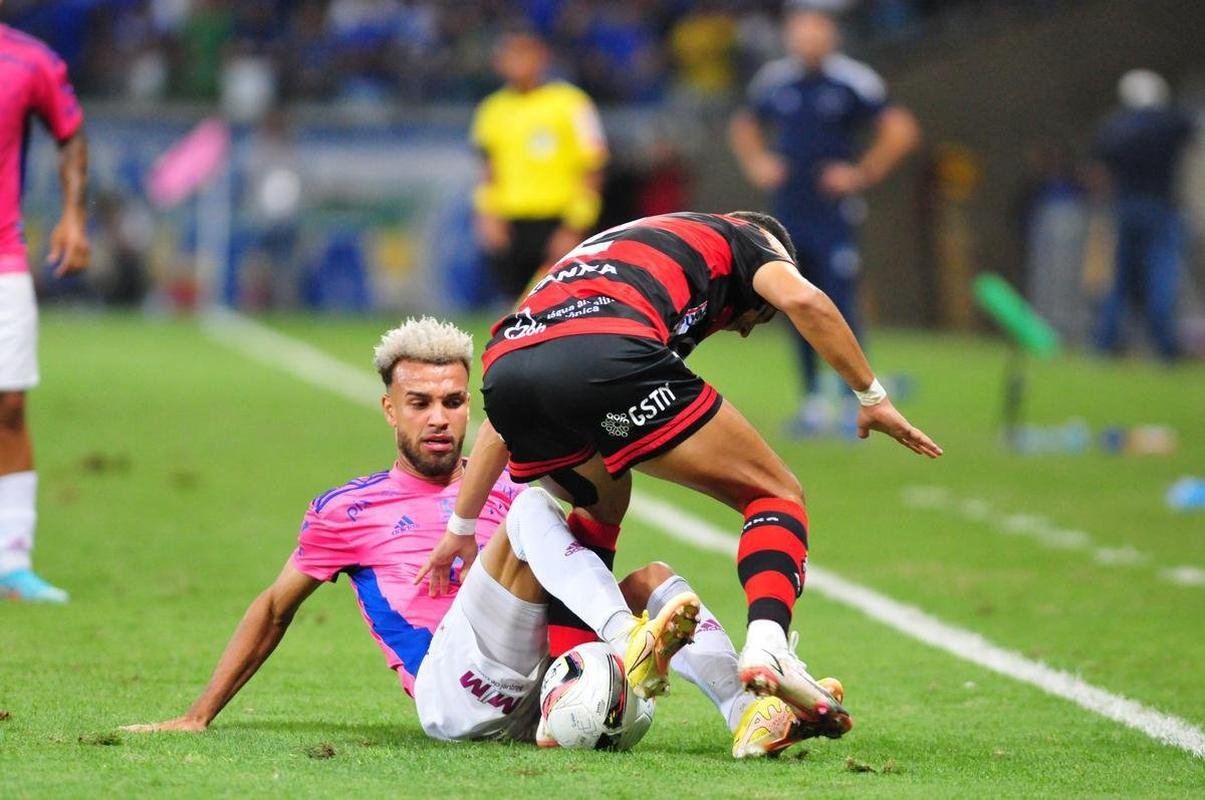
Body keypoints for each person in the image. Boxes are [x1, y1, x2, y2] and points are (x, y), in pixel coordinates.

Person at [121, 318, 815, 758]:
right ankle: (627, 642)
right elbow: (275, 608)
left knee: (651, 578)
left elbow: (588, 558)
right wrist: (197, 716)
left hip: (547, 683)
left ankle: (748, 714)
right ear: (389, 408)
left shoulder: (508, 482)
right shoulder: (348, 510)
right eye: (419, 403)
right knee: (531, 513)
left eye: (454, 403)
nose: (439, 419)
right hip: (452, 698)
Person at [419, 210, 941, 739]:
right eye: (757, 318)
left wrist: (460, 528)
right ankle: (769, 644)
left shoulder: (618, 246)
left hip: (507, 370)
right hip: (606, 354)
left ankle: (589, 682)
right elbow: (805, 300)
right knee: (776, 494)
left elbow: (500, 422)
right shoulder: (745, 240)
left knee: (604, 506)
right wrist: (870, 395)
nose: (741, 330)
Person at [728, 2, 920, 435]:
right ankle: (813, 397)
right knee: (793, 302)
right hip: (788, 215)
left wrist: (862, 172)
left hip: (833, 213)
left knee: (839, 300)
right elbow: (744, 126)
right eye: (801, 29)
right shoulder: (775, 81)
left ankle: (858, 395)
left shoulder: (852, 80)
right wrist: (759, 162)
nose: (809, 37)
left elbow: (900, 128)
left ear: (830, 34)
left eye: (817, 29)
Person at [0, 18, 90, 603]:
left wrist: (73, 215)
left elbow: (71, 137)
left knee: (8, 404)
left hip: (3, 254)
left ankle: (12, 560)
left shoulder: (30, 61)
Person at [471, 29, 608, 302]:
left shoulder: (571, 103)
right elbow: (489, 169)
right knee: (515, 306)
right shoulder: (492, 109)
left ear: (542, 58)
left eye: (524, 54)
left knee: (563, 302)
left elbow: (593, 166)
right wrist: (487, 213)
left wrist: (575, 224)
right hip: (512, 220)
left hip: (557, 217)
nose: (517, 62)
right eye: (510, 55)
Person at [1092, 69, 1195, 361]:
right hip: (1161, 208)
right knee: (1162, 275)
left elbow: (1099, 168)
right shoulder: (1171, 123)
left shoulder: (1115, 127)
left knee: (1118, 278)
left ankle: (1105, 343)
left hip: (1123, 208)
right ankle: (1164, 345)